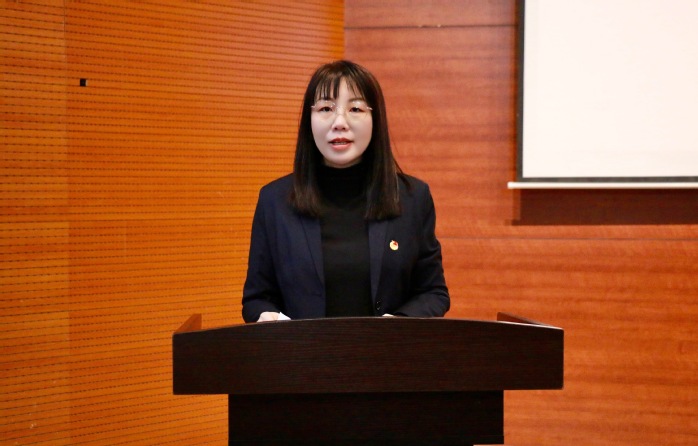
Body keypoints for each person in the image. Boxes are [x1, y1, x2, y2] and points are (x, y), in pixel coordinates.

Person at [242, 60, 449, 322]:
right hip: (303, 349)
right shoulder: (274, 200)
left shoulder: (412, 197)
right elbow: (256, 298)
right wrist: (265, 314)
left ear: (375, 119)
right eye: (326, 108)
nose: (340, 122)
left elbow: (433, 292)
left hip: (387, 347)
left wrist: (399, 323)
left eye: (355, 108)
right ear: (309, 120)